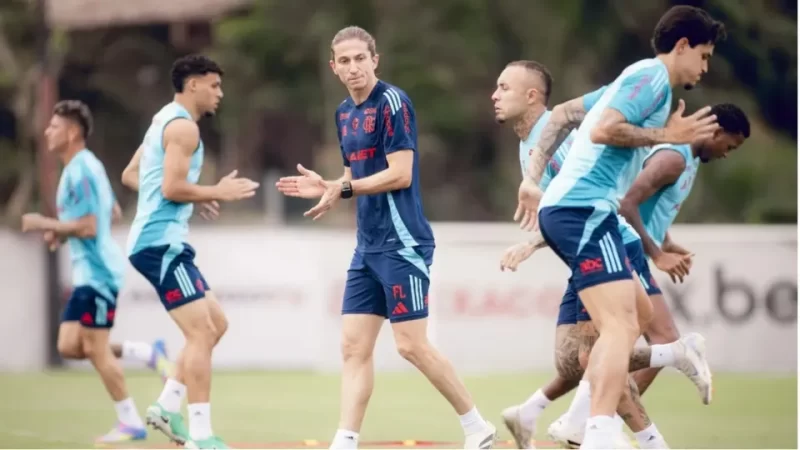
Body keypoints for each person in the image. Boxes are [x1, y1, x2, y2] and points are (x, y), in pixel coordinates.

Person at [275, 26, 497, 450]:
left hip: (403, 242)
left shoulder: (393, 102)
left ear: (375, 60)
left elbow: (401, 174)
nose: (354, 67)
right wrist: (329, 186)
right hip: (367, 245)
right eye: (345, 61)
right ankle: (345, 441)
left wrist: (344, 188)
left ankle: (477, 427)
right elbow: (352, 177)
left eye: (361, 58)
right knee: (352, 347)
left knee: (411, 346)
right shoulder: (343, 113)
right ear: (333, 67)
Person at [514, 5, 726, 447]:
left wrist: (532, 179)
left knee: (641, 315)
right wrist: (667, 136)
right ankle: (599, 431)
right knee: (619, 327)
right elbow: (604, 131)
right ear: (682, 45)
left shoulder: (637, 82)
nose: (705, 67)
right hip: (584, 209)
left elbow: (566, 114)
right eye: (704, 55)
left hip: (581, 210)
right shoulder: (651, 77)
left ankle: (674, 353)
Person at [122, 54, 259, 449]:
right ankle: (200, 435)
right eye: (214, 85)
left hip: (160, 241)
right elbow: (169, 187)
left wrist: (191, 196)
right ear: (193, 84)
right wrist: (215, 191)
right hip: (160, 244)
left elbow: (134, 175)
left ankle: (167, 406)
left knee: (216, 324)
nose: (219, 93)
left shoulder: (162, 120)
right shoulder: (184, 128)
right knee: (201, 333)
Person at [21, 100, 172, 444]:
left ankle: (130, 422)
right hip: (88, 273)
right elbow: (111, 211)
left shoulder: (82, 169)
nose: (47, 131)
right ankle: (149, 354)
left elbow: (90, 226)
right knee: (70, 345)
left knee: (95, 348)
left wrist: (45, 224)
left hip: (99, 273)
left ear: (73, 132)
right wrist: (60, 232)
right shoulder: (79, 168)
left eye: (54, 126)